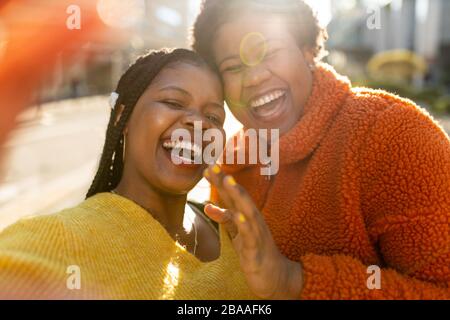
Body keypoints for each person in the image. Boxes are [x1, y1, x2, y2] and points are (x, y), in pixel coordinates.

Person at [192, 0, 450, 299]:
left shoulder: (394, 135)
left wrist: (292, 281)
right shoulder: (234, 165)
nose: (254, 77)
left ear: (307, 50)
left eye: (270, 52)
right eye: (233, 67)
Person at [0, 48, 256, 300]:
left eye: (213, 116)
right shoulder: (57, 239)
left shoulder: (235, 231)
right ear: (123, 116)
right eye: (173, 102)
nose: (199, 122)